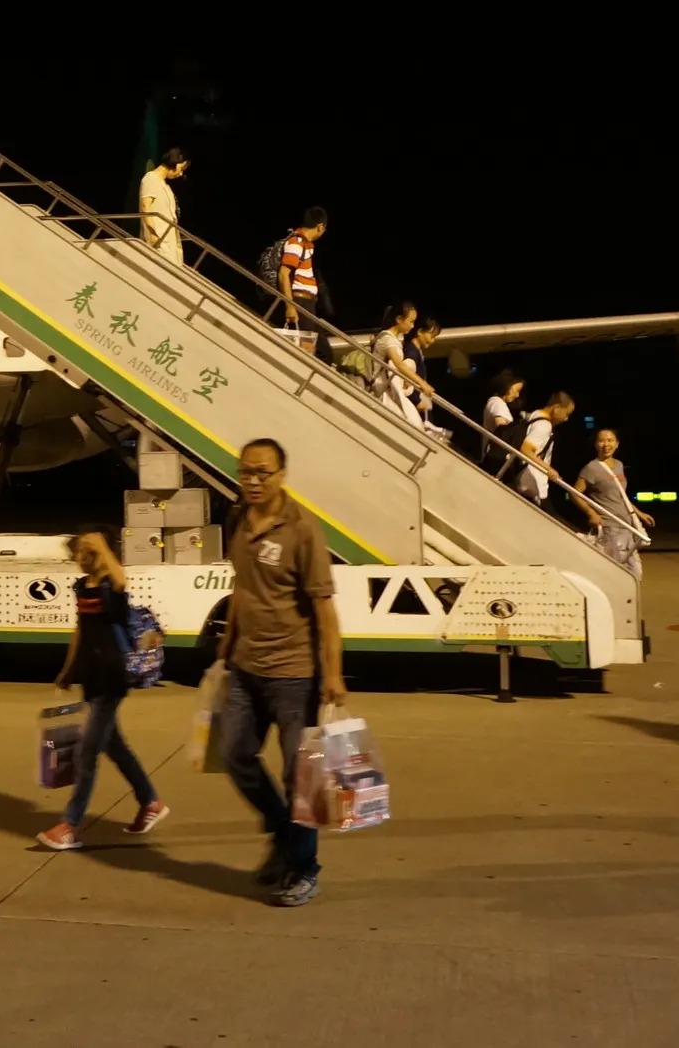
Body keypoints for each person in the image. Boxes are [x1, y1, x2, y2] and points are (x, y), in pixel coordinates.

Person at [214, 439, 346, 908]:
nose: (253, 480)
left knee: (300, 778)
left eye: (262, 473)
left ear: (282, 475)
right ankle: (281, 833)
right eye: (246, 472)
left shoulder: (303, 530)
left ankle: (305, 868)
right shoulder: (237, 520)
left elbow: (324, 609)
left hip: (294, 674)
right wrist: (227, 642)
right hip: (245, 668)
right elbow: (241, 585)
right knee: (233, 754)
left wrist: (333, 674)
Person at [35, 524, 167, 850]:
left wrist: (103, 547)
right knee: (114, 746)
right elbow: (80, 630)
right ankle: (151, 802)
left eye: (84, 553)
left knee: (88, 751)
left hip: (114, 676)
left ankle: (71, 824)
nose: (78, 559)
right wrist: (66, 671)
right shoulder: (82, 587)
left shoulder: (111, 586)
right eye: (77, 554)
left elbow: (122, 580)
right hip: (92, 675)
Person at [572, 428, 652, 572]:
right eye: (601, 441)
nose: (606, 445)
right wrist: (591, 513)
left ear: (617, 444)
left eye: (610, 440)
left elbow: (620, 495)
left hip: (626, 525)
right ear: (595, 444)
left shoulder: (619, 465)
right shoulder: (591, 468)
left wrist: (639, 513)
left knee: (633, 570)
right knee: (625, 570)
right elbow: (575, 493)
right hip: (609, 525)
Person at [371, 303, 444, 427]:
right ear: (399, 319)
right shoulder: (388, 340)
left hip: (389, 392)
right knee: (413, 424)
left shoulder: (395, 340)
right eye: (411, 322)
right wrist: (422, 384)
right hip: (383, 393)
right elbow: (399, 365)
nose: (413, 326)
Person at [274, 208, 330, 360]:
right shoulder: (296, 242)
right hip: (300, 303)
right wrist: (290, 306)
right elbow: (283, 274)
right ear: (320, 226)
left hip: (307, 305)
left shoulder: (306, 245)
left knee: (324, 350)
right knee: (308, 352)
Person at [515, 391, 577, 507]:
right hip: (529, 483)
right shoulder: (544, 426)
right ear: (557, 407)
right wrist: (548, 469)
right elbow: (526, 449)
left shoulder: (535, 414)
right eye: (566, 413)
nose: (566, 419)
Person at [138, 148, 190, 265]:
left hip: (169, 240)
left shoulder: (165, 186)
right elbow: (146, 207)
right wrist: (152, 233)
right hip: (158, 239)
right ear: (174, 162)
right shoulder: (150, 178)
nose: (180, 174)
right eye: (181, 169)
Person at [480, 370, 525, 477]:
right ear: (507, 386)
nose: (517, 395)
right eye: (517, 390)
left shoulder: (496, 402)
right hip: (495, 459)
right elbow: (502, 428)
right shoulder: (497, 403)